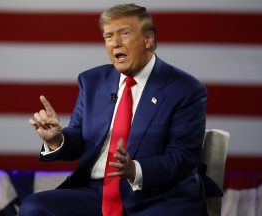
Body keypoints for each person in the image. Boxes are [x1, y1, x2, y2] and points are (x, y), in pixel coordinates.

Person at [20, 3, 211, 216]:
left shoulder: (184, 89)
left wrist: (135, 169)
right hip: (98, 193)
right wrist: (57, 140)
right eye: (108, 36)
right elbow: (81, 140)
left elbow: (183, 158)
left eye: (124, 33)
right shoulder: (92, 82)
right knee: (33, 208)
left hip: (157, 197)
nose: (115, 43)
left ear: (148, 40)